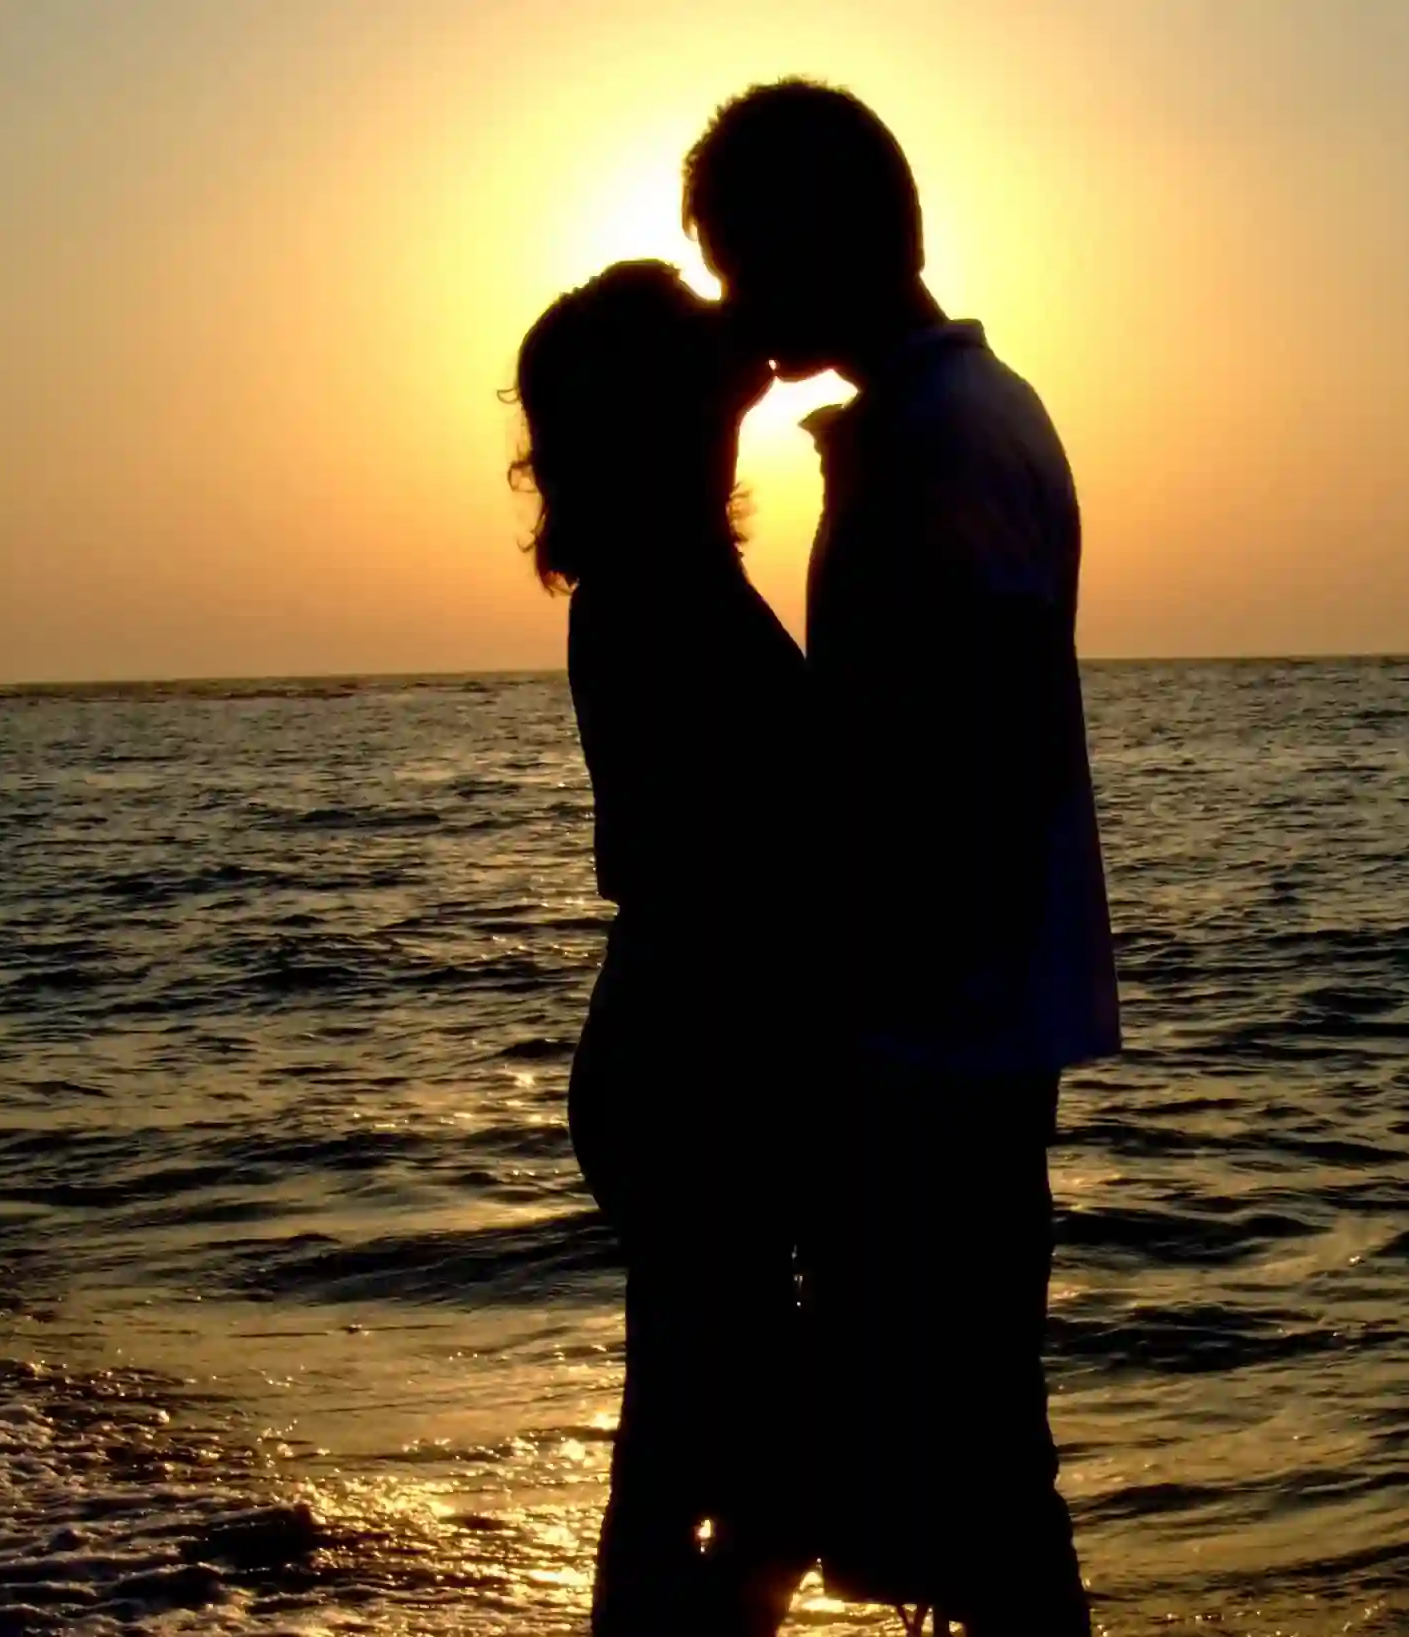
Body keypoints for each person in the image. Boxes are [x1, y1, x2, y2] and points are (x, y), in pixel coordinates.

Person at [683, 80, 1122, 1635]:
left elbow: (985, 746)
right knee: (951, 1459)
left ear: (823, 239)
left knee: (964, 1468)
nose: (736, 303)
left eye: (743, 262)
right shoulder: (944, 423)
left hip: (938, 1039)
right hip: (941, 1025)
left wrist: (879, 1000)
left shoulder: (944, 441)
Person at [510, 260, 816, 1637]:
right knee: (733, 1468)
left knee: (713, 1456)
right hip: (696, 1061)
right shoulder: (656, 590)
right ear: (657, 405)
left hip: (684, 1051)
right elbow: (734, 851)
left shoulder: (663, 574)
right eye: (692, 328)